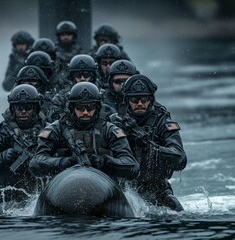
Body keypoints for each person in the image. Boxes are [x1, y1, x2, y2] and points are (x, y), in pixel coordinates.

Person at [29, 82, 140, 182]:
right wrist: (63, 162)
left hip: (102, 185)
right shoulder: (56, 129)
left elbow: (132, 166)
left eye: (90, 107)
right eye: (80, 108)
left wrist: (105, 162)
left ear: (97, 108)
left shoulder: (110, 130)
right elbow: (35, 163)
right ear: (72, 108)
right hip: (64, 185)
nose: (85, 112)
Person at [109, 74, 187, 212]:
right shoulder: (115, 124)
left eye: (144, 99)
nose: (140, 103)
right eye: (134, 99)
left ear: (151, 100)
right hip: (122, 188)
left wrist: (149, 145)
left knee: (176, 211)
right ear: (127, 101)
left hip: (156, 188)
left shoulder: (163, 123)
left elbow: (180, 159)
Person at [0, 84, 47, 204]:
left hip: (43, 198)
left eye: (28, 107)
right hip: (7, 200)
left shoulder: (50, 132)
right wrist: (1, 158)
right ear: (13, 109)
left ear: (36, 108)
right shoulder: (1, 136)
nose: (23, 111)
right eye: (19, 108)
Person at [48, 54, 115, 122]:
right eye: (78, 75)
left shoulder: (104, 95)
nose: (82, 78)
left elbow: (112, 117)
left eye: (86, 75)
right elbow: (53, 118)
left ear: (92, 76)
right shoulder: (62, 97)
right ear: (72, 77)